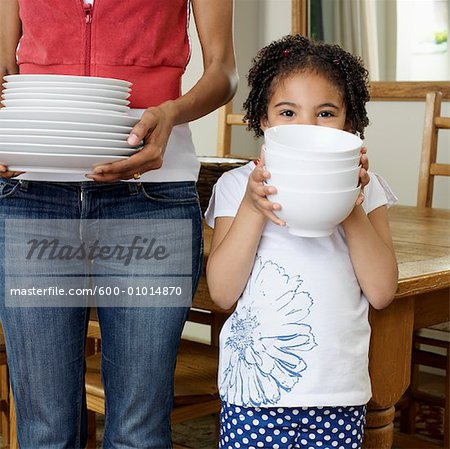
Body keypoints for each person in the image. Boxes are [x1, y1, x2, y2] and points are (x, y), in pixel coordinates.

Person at [0, 0, 237, 447]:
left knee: (138, 433)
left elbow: (224, 71)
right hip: (32, 195)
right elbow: (4, 62)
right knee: (44, 432)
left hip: (151, 194)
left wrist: (170, 112)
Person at [205, 34, 398, 449]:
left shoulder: (370, 189)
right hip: (254, 396)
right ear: (264, 120)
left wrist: (349, 204)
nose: (307, 127)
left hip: (338, 394)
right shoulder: (236, 187)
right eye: (288, 111)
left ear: (350, 125)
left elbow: (382, 292)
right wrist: (254, 208)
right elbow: (222, 292)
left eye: (326, 113)